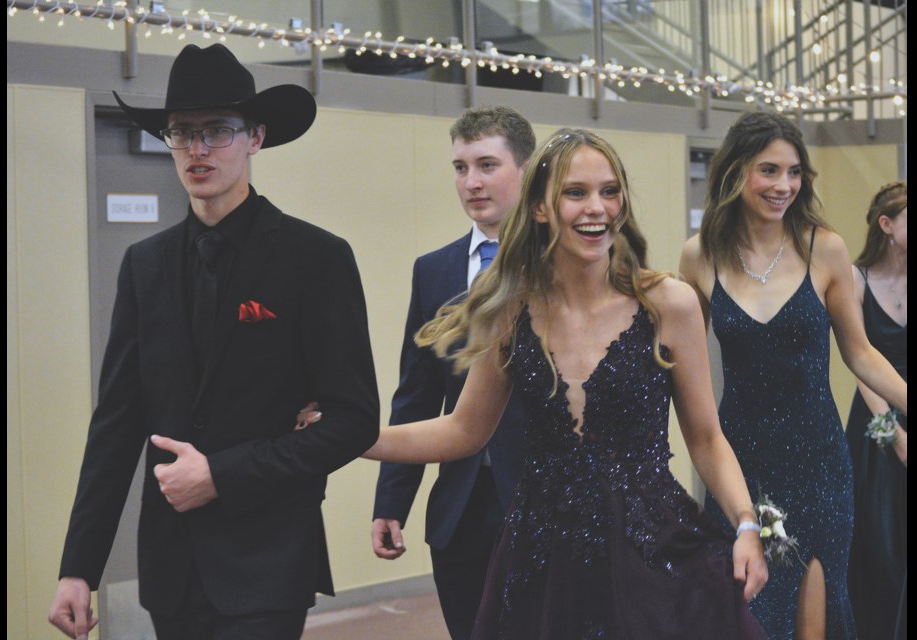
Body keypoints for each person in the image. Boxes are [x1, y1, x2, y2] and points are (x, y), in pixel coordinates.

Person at [361, 128, 768, 638]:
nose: (596, 207)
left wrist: (746, 524)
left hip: (650, 545)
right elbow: (463, 430)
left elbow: (706, 438)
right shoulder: (509, 309)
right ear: (539, 208)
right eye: (575, 193)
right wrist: (358, 438)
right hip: (542, 552)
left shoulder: (669, 303)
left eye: (609, 191)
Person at [47, 43, 379, 640]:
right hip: (172, 566)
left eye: (217, 131)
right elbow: (117, 424)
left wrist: (222, 474)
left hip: (267, 557)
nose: (197, 149)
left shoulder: (316, 258)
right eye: (182, 133)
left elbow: (353, 420)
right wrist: (79, 568)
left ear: (254, 138)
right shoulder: (143, 265)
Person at [678, 112, 907, 639]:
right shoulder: (699, 256)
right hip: (740, 460)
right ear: (736, 172)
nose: (784, 185)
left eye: (794, 172)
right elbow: (678, 365)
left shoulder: (822, 247)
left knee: (816, 610)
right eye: (769, 170)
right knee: (748, 609)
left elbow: (862, 354)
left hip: (819, 458)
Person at [371, 106, 532, 640]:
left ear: (526, 170)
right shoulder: (433, 269)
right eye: (461, 168)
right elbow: (414, 395)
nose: (472, 182)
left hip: (543, 500)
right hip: (459, 509)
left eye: (487, 164)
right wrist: (392, 501)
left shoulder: (562, 264)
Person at [844, 181, 906, 640]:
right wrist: (895, 434)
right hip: (876, 418)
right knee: (881, 544)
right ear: (886, 226)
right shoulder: (855, 278)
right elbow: (861, 365)